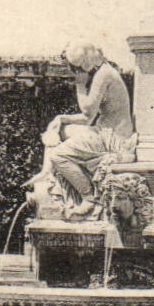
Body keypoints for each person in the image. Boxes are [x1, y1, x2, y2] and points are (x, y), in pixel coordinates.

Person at [41, 44, 136, 219]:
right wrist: (62, 118)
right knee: (61, 130)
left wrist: (80, 86)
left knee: (58, 155)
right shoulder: (106, 71)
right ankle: (49, 180)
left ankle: (88, 197)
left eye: (74, 68)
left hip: (111, 137)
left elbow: (87, 112)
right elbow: (89, 118)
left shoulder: (103, 75)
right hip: (106, 130)